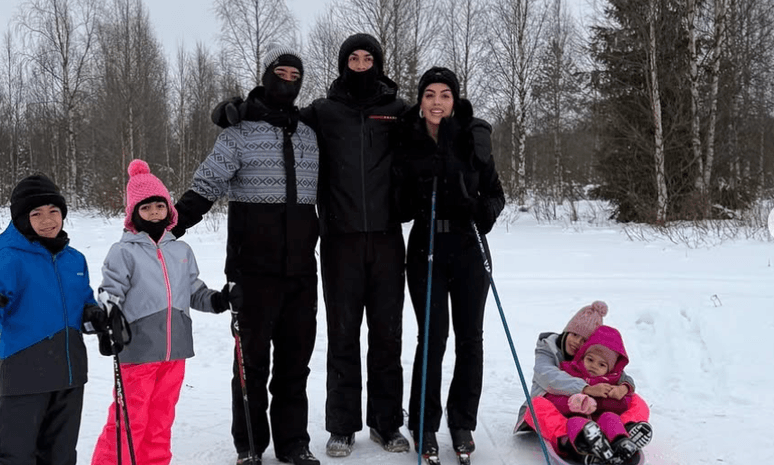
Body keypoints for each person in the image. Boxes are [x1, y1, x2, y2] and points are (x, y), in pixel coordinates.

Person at [210, 32, 411, 458]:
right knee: (342, 335)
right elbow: (277, 114)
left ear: (378, 62)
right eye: (353, 57)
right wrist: (236, 109)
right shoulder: (323, 111)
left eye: (367, 57)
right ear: (343, 64)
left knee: (388, 336)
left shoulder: (397, 111)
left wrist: (468, 124)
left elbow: (435, 126)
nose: (360, 63)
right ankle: (341, 426)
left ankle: (387, 422)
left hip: (388, 239)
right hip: (339, 241)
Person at [171, 46, 321, 465]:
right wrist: (170, 227)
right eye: (281, 71)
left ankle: (294, 444)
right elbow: (207, 184)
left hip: (301, 271)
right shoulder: (238, 133)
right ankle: (250, 446)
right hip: (252, 270)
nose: (287, 79)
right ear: (267, 74)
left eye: (295, 74)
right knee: (250, 364)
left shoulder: (310, 134)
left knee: (295, 364)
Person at [90, 159, 238, 465]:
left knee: (160, 421)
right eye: (146, 208)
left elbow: (194, 290)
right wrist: (111, 317)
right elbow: (110, 291)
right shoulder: (124, 252)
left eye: (159, 206)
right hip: (137, 351)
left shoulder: (180, 250)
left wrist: (217, 300)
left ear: (169, 209)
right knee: (129, 421)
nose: (154, 213)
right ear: (134, 214)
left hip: (175, 352)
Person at [391, 66, 505, 460]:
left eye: (445, 95)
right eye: (429, 95)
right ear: (420, 101)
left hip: (469, 244)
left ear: (454, 101)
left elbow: (495, 196)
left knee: (470, 338)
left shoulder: (472, 136)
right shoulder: (407, 139)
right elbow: (399, 206)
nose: (437, 102)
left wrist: (475, 207)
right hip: (426, 246)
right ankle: (424, 423)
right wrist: (415, 191)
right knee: (433, 338)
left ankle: (462, 423)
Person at [0, 174, 105, 465]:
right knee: (16, 455)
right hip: (24, 372)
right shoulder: (9, 258)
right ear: (22, 218)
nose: (48, 220)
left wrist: (95, 317)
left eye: (54, 212)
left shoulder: (74, 259)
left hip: (70, 374)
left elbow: (84, 303)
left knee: (60, 455)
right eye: (37, 214)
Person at [514, 301, 653, 461]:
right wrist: (587, 389)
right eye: (574, 335)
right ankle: (571, 440)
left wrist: (624, 387)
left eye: (583, 340)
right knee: (535, 406)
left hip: (598, 414)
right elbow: (547, 376)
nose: (576, 343)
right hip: (557, 410)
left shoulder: (591, 357)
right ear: (566, 331)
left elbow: (618, 373)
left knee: (636, 400)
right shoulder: (548, 349)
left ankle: (624, 433)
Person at [543, 325, 641, 463]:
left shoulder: (612, 381)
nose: (594, 366)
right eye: (590, 360)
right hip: (574, 421)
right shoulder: (569, 372)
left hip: (602, 423)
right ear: (582, 356)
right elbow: (551, 396)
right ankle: (588, 454)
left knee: (610, 417)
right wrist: (572, 403)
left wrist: (610, 397)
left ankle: (622, 444)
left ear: (610, 369)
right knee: (575, 422)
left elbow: (624, 404)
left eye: (602, 365)